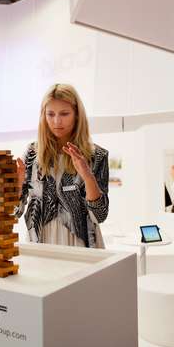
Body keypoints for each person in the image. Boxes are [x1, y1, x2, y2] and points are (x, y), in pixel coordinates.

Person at [15, 84, 109, 248]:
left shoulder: (97, 155)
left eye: (64, 114)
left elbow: (99, 216)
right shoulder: (32, 153)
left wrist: (87, 175)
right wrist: (16, 184)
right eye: (50, 114)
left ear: (77, 115)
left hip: (82, 246)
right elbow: (15, 212)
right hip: (40, 245)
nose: (56, 121)